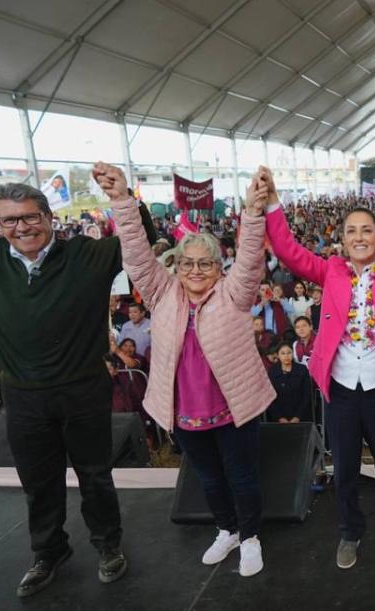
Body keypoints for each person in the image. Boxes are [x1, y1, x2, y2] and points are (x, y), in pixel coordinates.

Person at [0, 177, 157, 597]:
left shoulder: (88, 255)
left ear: (49, 218)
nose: (21, 227)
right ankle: (48, 551)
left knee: (95, 475)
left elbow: (141, 236)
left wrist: (124, 198)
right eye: (9, 220)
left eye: (30, 217)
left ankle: (108, 544)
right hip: (23, 395)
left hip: (83, 389)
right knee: (38, 480)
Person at [263, 148, 375, 570]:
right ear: (342, 238)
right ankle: (350, 531)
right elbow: (286, 249)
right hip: (340, 389)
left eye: (367, 230)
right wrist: (270, 203)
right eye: (352, 230)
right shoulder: (330, 272)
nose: (359, 237)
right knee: (346, 469)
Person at [105, 162, 275, 578]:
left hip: (234, 408)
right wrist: (121, 201)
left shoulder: (234, 295)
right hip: (185, 413)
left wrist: (253, 212)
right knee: (209, 479)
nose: (195, 271)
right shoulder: (162, 294)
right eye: (187, 264)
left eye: (205, 264)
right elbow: (137, 255)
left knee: (241, 476)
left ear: (219, 268)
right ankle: (227, 530)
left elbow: (251, 258)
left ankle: (251, 538)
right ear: (176, 267)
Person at [267, 344, 313, 424]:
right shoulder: (272, 372)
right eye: (283, 353)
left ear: (293, 354)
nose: (286, 356)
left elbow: (307, 395)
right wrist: (279, 417)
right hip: (278, 418)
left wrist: (298, 416)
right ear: (278, 355)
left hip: (301, 417)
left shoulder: (302, 370)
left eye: (289, 353)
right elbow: (270, 397)